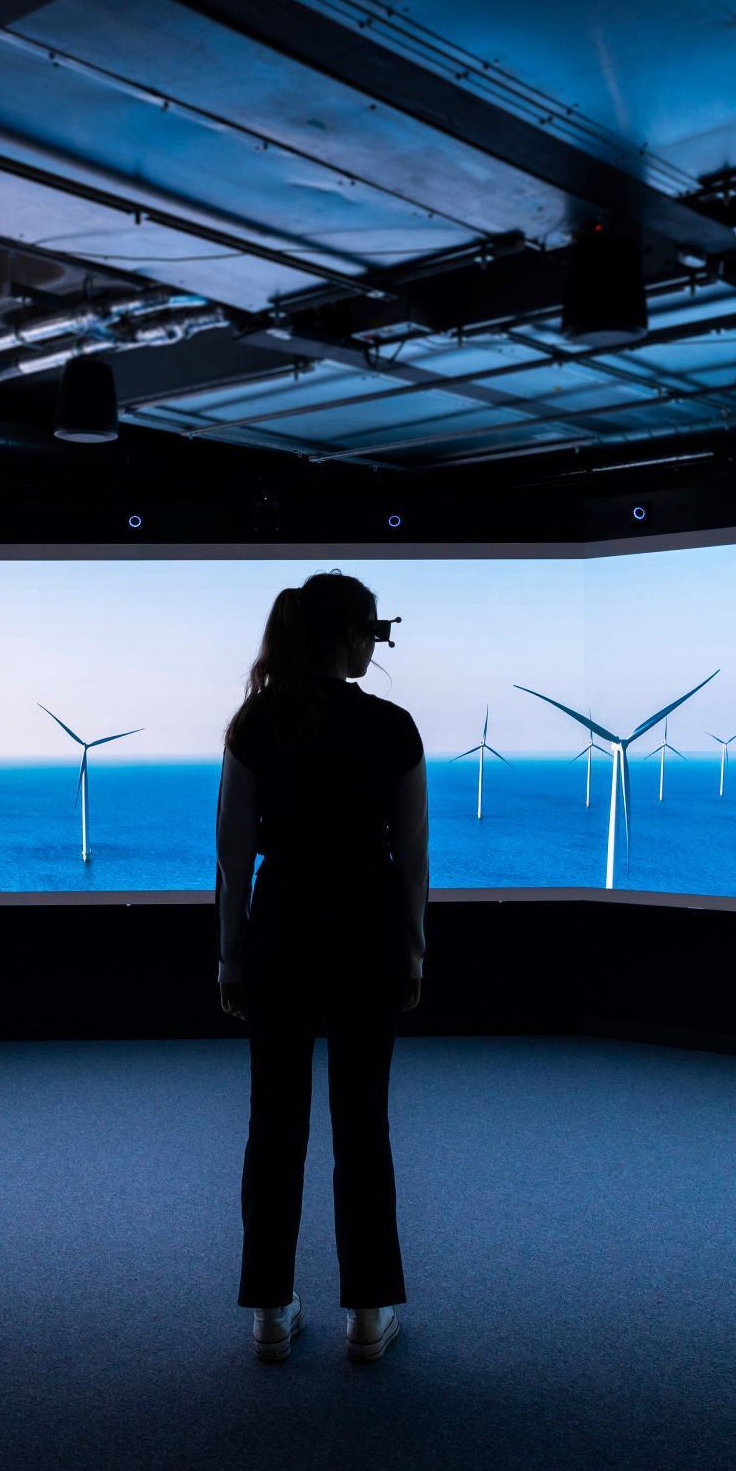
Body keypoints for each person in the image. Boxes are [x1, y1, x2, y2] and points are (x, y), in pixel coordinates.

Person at [215, 570, 428, 1363]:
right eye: (375, 630)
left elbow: (233, 854)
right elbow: (412, 855)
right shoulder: (393, 727)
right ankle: (368, 1312)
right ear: (347, 636)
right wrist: (414, 947)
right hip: (369, 933)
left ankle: (271, 1310)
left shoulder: (256, 722)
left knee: (274, 1122)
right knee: (363, 1122)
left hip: (281, 933)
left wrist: (230, 956)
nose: (378, 644)